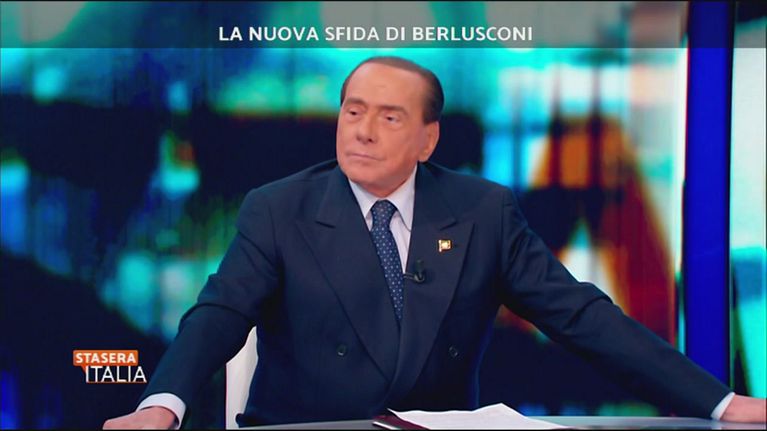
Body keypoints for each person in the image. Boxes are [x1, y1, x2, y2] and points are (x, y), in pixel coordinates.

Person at [104, 56, 766, 429]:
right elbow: (218, 315)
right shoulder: (279, 208)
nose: (362, 131)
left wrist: (719, 401)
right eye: (352, 111)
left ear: (427, 139)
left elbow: (582, 316)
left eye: (388, 117)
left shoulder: (481, 211)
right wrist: (161, 405)